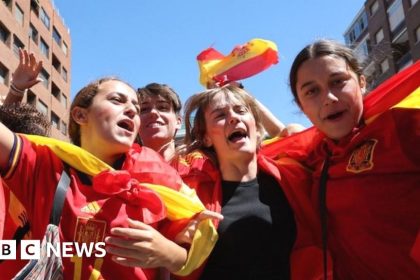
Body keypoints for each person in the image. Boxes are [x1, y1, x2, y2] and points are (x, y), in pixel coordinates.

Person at [0, 77, 216, 279]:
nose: (132, 110)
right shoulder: (44, 166)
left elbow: (192, 256)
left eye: (135, 106)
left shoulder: (159, 178)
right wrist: (16, 89)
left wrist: (169, 254)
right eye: (117, 100)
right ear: (80, 115)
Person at [288, 39, 420, 278]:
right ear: (301, 106)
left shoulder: (400, 124)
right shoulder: (314, 157)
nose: (328, 98)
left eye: (338, 82)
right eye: (312, 91)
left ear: (361, 82)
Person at [175, 85, 325, 279]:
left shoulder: (291, 176)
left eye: (241, 111)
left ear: (256, 126)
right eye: (220, 115)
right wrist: (179, 245)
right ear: (206, 138)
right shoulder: (192, 195)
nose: (233, 117)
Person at [137, 83, 182, 162]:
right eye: (144, 109)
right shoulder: (120, 167)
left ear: (178, 122)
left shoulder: (199, 165)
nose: (153, 112)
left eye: (162, 107)